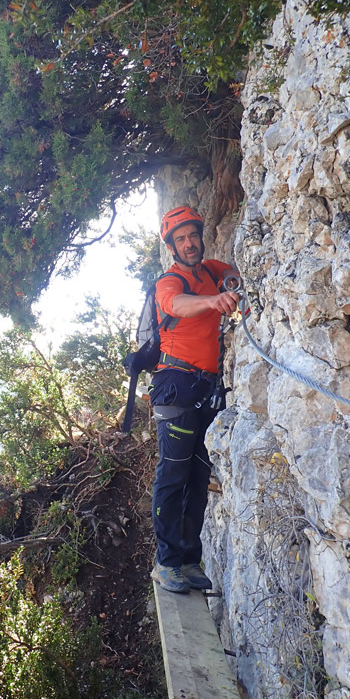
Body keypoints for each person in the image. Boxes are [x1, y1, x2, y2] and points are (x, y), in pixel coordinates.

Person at [150, 206, 239, 594]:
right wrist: (213, 301)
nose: (189, 244)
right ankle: (166, 563)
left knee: (198, 477)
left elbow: (234, 274)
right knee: (173, 474)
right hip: (176, 383)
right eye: (180, 239)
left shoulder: (211, 270)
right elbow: (176, 306)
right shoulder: (169, 282)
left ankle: (188, 559)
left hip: (205, 387)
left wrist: (232, 285)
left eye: (192, 236)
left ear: (200, 236)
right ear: (171, 245)